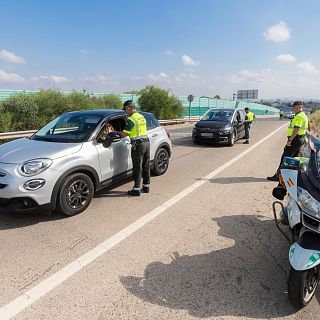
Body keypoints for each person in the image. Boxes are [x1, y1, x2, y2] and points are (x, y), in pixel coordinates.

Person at [267, 101, 308, 181]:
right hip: (300, 139)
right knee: (294, 159)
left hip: (295, 139)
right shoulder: (304, 115)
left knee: (285, 158)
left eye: (294, 107)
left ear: (299, 106)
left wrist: (290, 140)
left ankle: (278, 176)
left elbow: (296, 128)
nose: (292, 108)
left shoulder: (299, 116)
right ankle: (291, 177)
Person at [119, 100, 150, 196]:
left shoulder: (131, 119)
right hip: (146, 143)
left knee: (137, 167)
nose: (125, 112)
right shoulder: (141, 117)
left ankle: (136, 189)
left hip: (138, 145)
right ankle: (146, 186)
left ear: (129, 107)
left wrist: (115, 132)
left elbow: (125, 134)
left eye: (125, 109)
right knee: (145, 166)